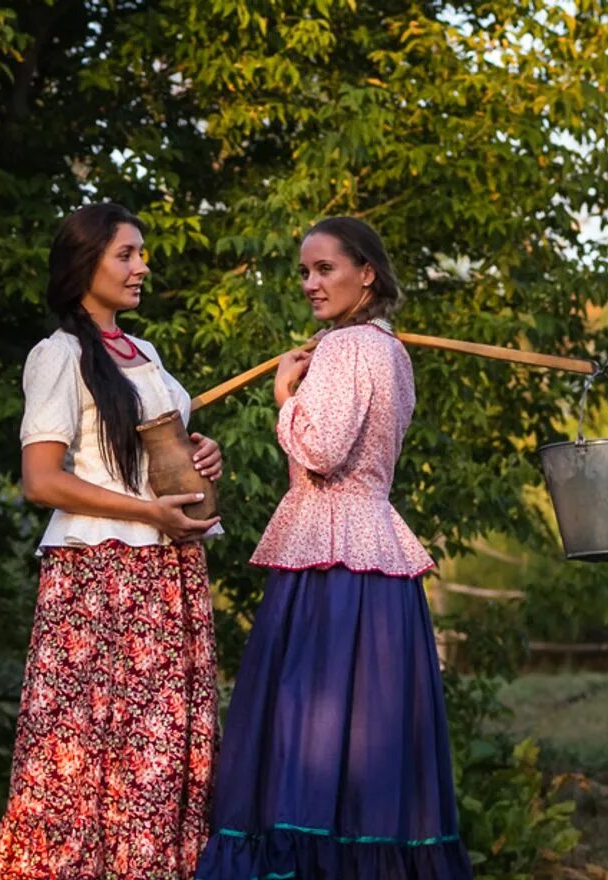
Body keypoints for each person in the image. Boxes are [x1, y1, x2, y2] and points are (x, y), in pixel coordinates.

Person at [195, 217, 473, 879]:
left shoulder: (348, 346)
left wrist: (285, 396)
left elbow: (320, 450)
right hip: (372, 554)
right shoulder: (388, 348)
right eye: (304, 272)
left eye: (326, 269)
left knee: (310, 726)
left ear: (366, 273)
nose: (311, 283)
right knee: (364, 736)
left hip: (331, 559)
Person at [0, 203, 224, 880]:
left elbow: (159, 446)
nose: (141, 266)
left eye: (141, 253)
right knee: (93, 749)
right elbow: (41, 480)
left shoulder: (143, 352)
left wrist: (202, 452)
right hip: (102, 576)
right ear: (82, 263)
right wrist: (148, 513)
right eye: (126, 254)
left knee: (161, 751)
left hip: (167, 571)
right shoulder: (58, 355)